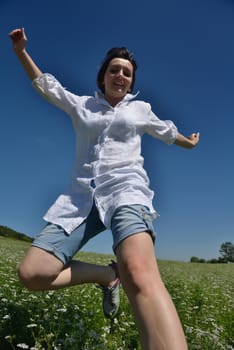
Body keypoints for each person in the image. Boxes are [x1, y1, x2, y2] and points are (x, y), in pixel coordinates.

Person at [9, 27, 199, 350]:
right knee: (32, 273)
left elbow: (167, 132)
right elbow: (47, 88)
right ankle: (106, 276)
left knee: (138, 272)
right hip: (82, 198)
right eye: (115, 69)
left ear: (131, 82)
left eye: (127, 73)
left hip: (127, 192)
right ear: (103, 76)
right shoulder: (83, 106)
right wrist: (21, 52)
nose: (121, 75)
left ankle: (124, 276)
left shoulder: (140, 110)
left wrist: (188, 143)